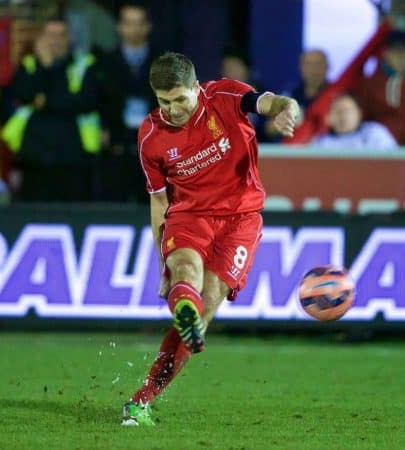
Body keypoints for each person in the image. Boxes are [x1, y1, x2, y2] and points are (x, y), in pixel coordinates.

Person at [121, 52, 299, 426]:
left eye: (180, 99)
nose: (173, 109)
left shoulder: (226, 97)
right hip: (189, 215)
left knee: (207, 300)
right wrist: (162, 266)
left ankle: (145, 394)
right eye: (164, 101)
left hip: (240, 219)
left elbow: (268, 102)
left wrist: (287, 108)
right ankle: (140, 403)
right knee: (185, 268)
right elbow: (158, 201)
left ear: (197, 89)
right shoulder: (150, 136)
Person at [1, 16, 102, 202]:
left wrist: (44, 100)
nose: (55, 41)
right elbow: (24, 94)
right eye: (50, 35)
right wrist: (46, 67)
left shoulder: (85, 64)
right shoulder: (29, 65)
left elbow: (85, 101)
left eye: (61, 35)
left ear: (70, 38)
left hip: (73, 159)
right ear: (41, 38)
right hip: (35, 157)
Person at [100, 1, 159, 202]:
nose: (133, 29)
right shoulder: (104, 62)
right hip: (116, 147)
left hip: (153, 149)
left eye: (139, 23)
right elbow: (98, 100)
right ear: (119, 26)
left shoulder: (163, 61)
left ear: (148, 27)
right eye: (128, 23)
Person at [354, 30, 405, 145]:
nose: (401, 56)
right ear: (386, 54)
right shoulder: (371, 82)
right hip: (376, 142)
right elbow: (365, 114)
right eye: (396, 51)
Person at [311, 93, 397, 150]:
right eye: (338, 111)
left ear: (359, 113)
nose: (343, 116)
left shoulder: (375, 133)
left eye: (347, 111)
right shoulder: (320, 142)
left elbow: (394, 162)